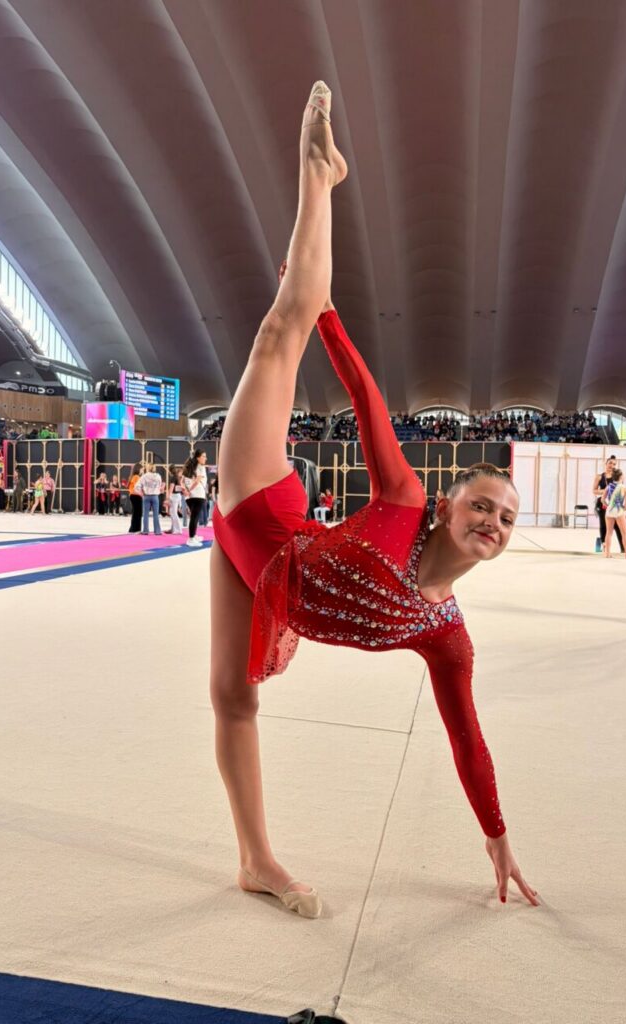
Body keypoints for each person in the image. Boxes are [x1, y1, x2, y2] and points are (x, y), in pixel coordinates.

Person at [210, 83, 537, 919]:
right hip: (264, 508)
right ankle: (319, 176)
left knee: (234, 698)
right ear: (450, 505)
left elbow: (468, 738)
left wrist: (497, 834)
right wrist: (323, 315)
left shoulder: (446, 637)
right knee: (279, 329)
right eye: (482, 505)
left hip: (261, 571)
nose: (491, 521)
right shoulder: (404, 498)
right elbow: (364, 400)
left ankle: (255, 862)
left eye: (505, 518)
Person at [593, 456, 624, 553]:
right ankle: (604, 546)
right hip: (602, 503)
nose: (612, 465)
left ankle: (623, 548)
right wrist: (607, 490)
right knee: (603, 525)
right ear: (606, 463)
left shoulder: (618, 476)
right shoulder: (599, 476)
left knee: (618, 526)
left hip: (614, 503)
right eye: (610, 463)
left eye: (614, 464)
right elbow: (594, 491)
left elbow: (621, 489)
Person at [603, 469, 626, 559]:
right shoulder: (624, 488)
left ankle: (607, 554)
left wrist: (608, 505)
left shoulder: (608, 486)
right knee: (624, 533)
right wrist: (623, 509)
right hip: (619, 510)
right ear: (621, 477)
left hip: (609, 510)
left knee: (609, 533)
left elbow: (602, 500)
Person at [182, 449, 207, 548]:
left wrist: (186, 490)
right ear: (198, 458)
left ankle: (193, 535)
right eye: (203, 456)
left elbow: (182, 481)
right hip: (198, 494)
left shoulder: (188, 467)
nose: (205, 458)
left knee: (194, 517)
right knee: (194, 517)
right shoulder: (201, 467)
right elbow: (197, 481)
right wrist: (189, 489)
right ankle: (191, 538)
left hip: (189, 497)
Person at [136, 462, 163, 536]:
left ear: (148, 468)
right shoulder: (158, 476)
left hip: (146, 496)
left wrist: (141, 493)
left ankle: (145, 531)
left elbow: (137, 486)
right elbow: (160, 486)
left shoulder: (144, 476)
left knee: (145, 514)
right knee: (156, 514)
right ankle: (157, 531)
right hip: (155, 496)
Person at [127, 462, 143, 533]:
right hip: (135, 496)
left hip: (133, 496)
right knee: (138, 513)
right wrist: (141, 494)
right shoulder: (136, 477)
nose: (142, 471)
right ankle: (135, 529)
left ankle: (134, 528)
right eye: (142, 469)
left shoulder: (133, 476)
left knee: (136, 513)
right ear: (138, 469)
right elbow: (135, 489)